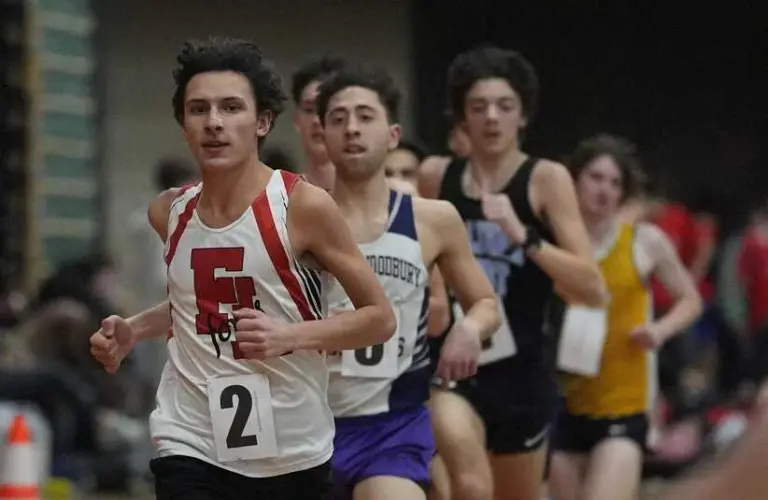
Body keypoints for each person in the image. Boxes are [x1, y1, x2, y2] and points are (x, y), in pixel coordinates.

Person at [89, 37, 396, 500]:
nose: (214, 122)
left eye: (231, 108)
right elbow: (194, 305)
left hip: (291, 444)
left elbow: (379, 318)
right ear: (183, 125)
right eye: (199, 110)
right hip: (189, 434)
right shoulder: (168, 213)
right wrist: (133, 329)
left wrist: (290, 336)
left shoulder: (302, 206)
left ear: (262, 122)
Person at [419, 46, 605, 500]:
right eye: (478, 107)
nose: (491, 118)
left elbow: (592, 288)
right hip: (452, 366)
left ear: (523, 116)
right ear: (461, 118)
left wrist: (525, 237)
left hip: (522, 372)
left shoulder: (546, 179)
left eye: (505, 106)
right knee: (467, 483)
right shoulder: (435, 177)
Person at [315, 65, 500, 500]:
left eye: (365, 116)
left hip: (391, 426)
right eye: (338, 119)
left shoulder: (433, 219)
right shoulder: (295, 219)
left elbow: (485, 303)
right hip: (306, 423)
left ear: (393, 134)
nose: (352, 129)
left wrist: (469, 329)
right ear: (322, 136)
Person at [548, 134, 703, 500]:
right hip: (559, 405)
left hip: (622, 405)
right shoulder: (551, 245)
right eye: (596, 178)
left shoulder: (642, 241)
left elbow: (690, 299)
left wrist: (660, 330)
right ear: (574, 182)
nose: (605, 190)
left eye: (615, 183)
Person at [291, 55, 350, 191]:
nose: (317, 120)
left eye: (328, 109)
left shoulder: (378, 197)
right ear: (296, 119)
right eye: (309, 110)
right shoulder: (279, 199)